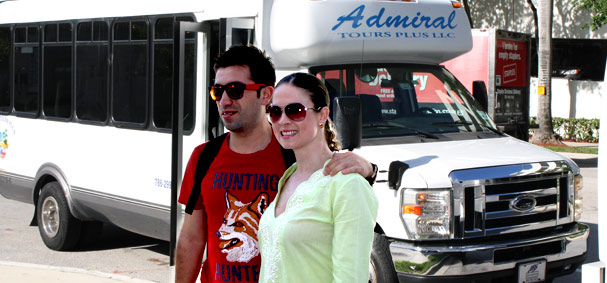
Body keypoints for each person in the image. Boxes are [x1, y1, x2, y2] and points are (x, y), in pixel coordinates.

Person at [175, 45, 376, 283]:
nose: (224, 100)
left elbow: (334, 183)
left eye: (235, 90)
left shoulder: (291, 153)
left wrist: (369, 170)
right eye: (218, 91)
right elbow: (190, 239)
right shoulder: (204, 157)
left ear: (265, 94)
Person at [258, 73, 378, 283]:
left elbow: (350, 279)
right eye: (275, 112)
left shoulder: (348, 185)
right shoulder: (287, 178)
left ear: (322, 115)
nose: (283, 120)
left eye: (295, 111)